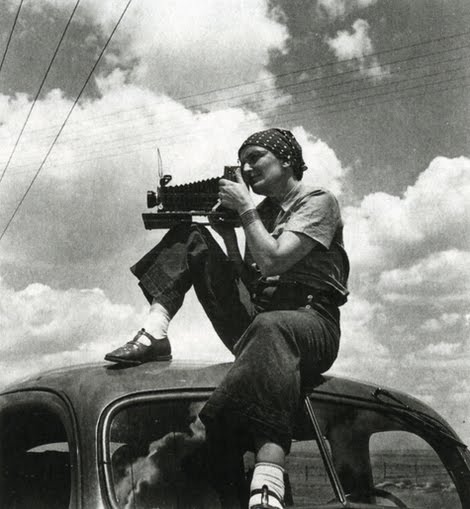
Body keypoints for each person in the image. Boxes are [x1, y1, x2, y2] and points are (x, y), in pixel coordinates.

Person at [105, 128, 349, 509]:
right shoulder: (265, 213)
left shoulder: (317, 201)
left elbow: (275, 260)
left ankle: (266, 492)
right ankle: (155, 330)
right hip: (263, 317)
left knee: (272, 329)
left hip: (310, 320)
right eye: (243, 161)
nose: (247, 168)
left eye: (255, 158)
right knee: (193, 237)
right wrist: (229, 237)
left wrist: (245, 211)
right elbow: (254, 278)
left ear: (286, 160)